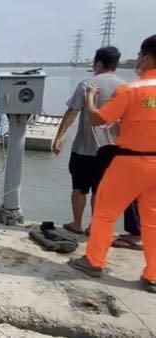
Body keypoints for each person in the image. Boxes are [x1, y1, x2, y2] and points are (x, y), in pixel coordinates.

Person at [68, 35, 156, 293]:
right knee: (152, 220)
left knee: (105, 213)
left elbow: (97, 120)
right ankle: (152, 275)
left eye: (140, 55)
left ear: (148, 57)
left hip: (130, 161)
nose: (138, 59)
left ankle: (93, 261)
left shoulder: (132, 90)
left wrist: (91, 100)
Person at [52, 47, 125, 235]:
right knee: (100, 190)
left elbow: (72, 113)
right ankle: (95, 226)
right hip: (111, 150)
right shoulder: (125, 88)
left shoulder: (87, 84)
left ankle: (76, 223)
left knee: (79, 188)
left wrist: (59, 137)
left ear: (98, 63)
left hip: (84, 148)